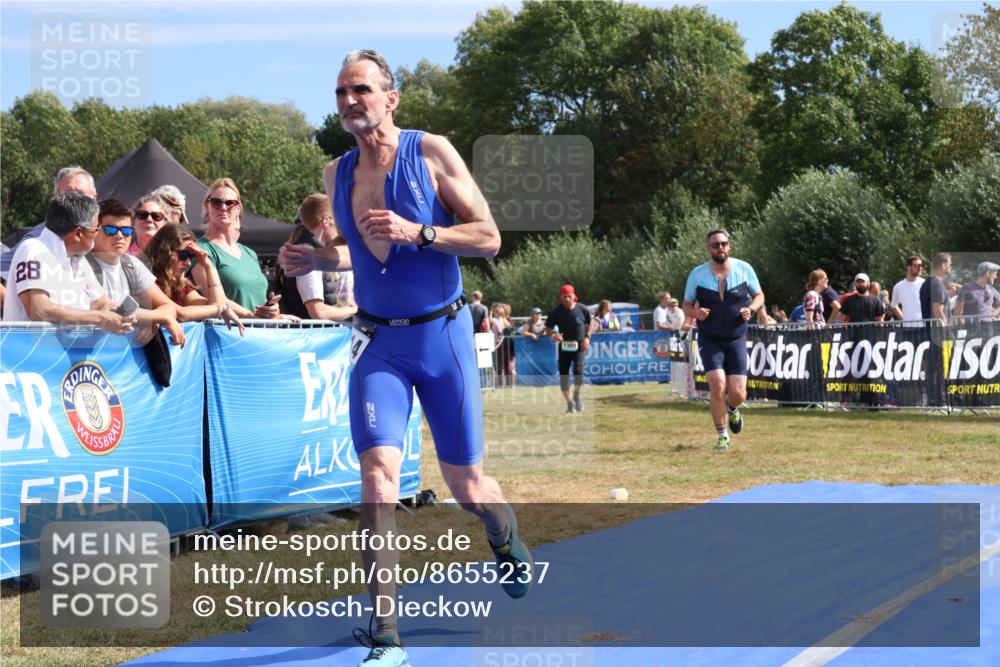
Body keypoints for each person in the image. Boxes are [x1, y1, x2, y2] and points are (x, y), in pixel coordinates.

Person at [277, 49, 532, 666]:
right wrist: (317, 259)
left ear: (390, 98)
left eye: (360, 89)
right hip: (378, 345)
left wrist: (422, 232)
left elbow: (489, 237)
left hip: (441, 339)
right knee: (377, 482)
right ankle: (386, 632)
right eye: (340, 92)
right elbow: (363, 252)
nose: (348, 101)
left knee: (466, 487)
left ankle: (503, 533)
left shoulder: (431, 151)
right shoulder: (336, 172)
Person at [2, 192, 134, 335]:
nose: (97, 233)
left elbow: (100, 303)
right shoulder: (33, 250)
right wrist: (99, 318)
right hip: (32, 353)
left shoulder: (78, 258)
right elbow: (39, 310)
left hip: (66, 352)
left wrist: (117, 314)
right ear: (78, 234)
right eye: (96, 228)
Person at [682, 229, 764, 451]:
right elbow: (686, 304)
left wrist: (752, 309)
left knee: (738, 393)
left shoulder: (744, 268)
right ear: (708, 249)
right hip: (710, 339)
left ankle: (733, 408)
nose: (720, 248)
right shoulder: (697, 275)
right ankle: (722, 436)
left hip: (736, 337)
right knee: (717, 385)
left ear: (729, 246)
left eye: (724, 244)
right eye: (715, 245)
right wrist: (695, 313)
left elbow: (759, 295)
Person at [87, 198, 185, 346]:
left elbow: (169, 307)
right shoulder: (80, 264)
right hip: (85, 359)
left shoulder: (131, 264)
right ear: (95, 229)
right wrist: (155, 317)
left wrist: (154, 319)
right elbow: (113, 312)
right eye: (111, 230)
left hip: (124, 361)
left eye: (126, 230)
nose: (120, 236)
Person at [191, 178, 283, 320]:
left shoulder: (250, 253)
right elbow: (216, 301)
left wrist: (271, 309)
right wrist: (252, 316)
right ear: (207, 205)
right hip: (229, 334)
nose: (223, 207)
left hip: (262, 334)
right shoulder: (201, 250)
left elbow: (257, 300)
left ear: (238, 208)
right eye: (216, 202)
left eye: (230, 203)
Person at [145, 223, 245, 333]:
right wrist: (221, 308)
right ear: (165, 252)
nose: (188, 263)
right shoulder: (146, 279)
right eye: (184, 255)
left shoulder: (178, 283)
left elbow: (212, 306)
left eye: (191, 256)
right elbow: (181, 314)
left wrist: (209, 267)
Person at [278, 194, 357, 321]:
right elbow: (318, 312)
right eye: (339, 220)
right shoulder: (306, 254)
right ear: (326, 221)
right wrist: (357, 311)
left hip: (337, 335)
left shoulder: (319, 252)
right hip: (317, 337)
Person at [544, 284, 592, 413]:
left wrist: (587, 337)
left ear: (574, 296)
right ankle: (569, 403)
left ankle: (577, 395)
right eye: (564, 297)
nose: (567, 300)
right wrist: (554, 335)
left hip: (579, 346)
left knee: (578, 371)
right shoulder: (556, 312)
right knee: (564, 375)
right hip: (564, 347)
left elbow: (590, 323)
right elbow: (547, 329)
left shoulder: (582, 309)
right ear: (561, 297)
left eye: (569, 297)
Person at [130, 193, 170, 259]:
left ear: (165, 223)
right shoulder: (121, 257)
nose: (149, 219)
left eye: (156, 216)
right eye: (142, 215)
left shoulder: (174, 258)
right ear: (133, 221)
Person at [920, 253, 953, 325]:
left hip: (929, 330)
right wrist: (946, 331)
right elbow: (938, 311)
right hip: (938, 332)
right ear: (943, 265)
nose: (951, 267)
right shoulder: (937, 284)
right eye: (950, 265)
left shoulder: (926, 283)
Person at [890, 256, 925, 323]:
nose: (920, 268)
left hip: (924, 326)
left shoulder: (925, 284)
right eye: (916, 266)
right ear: (908, 268)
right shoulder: (898, 286)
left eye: (921, 265)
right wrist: (904, 319)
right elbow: (894, 305)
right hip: (907, 328)